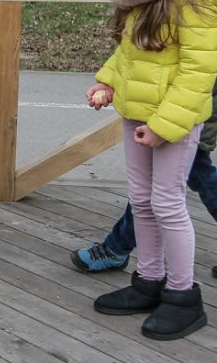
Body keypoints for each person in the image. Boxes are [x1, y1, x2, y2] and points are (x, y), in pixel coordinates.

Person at [86, 0, 216, 341]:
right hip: (137, 110)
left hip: (172, 121)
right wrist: (109, 83)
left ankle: (183, 296)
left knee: (167, 202)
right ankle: (150, 280)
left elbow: (199, 68)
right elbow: (132, 50)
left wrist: (166, 123)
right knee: (141, 199)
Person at [71, 97, 217, 278]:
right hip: (176, 110)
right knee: (182, 180)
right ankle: (118, 248)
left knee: (169, 191)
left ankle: (117, 248)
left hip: (184, 112)